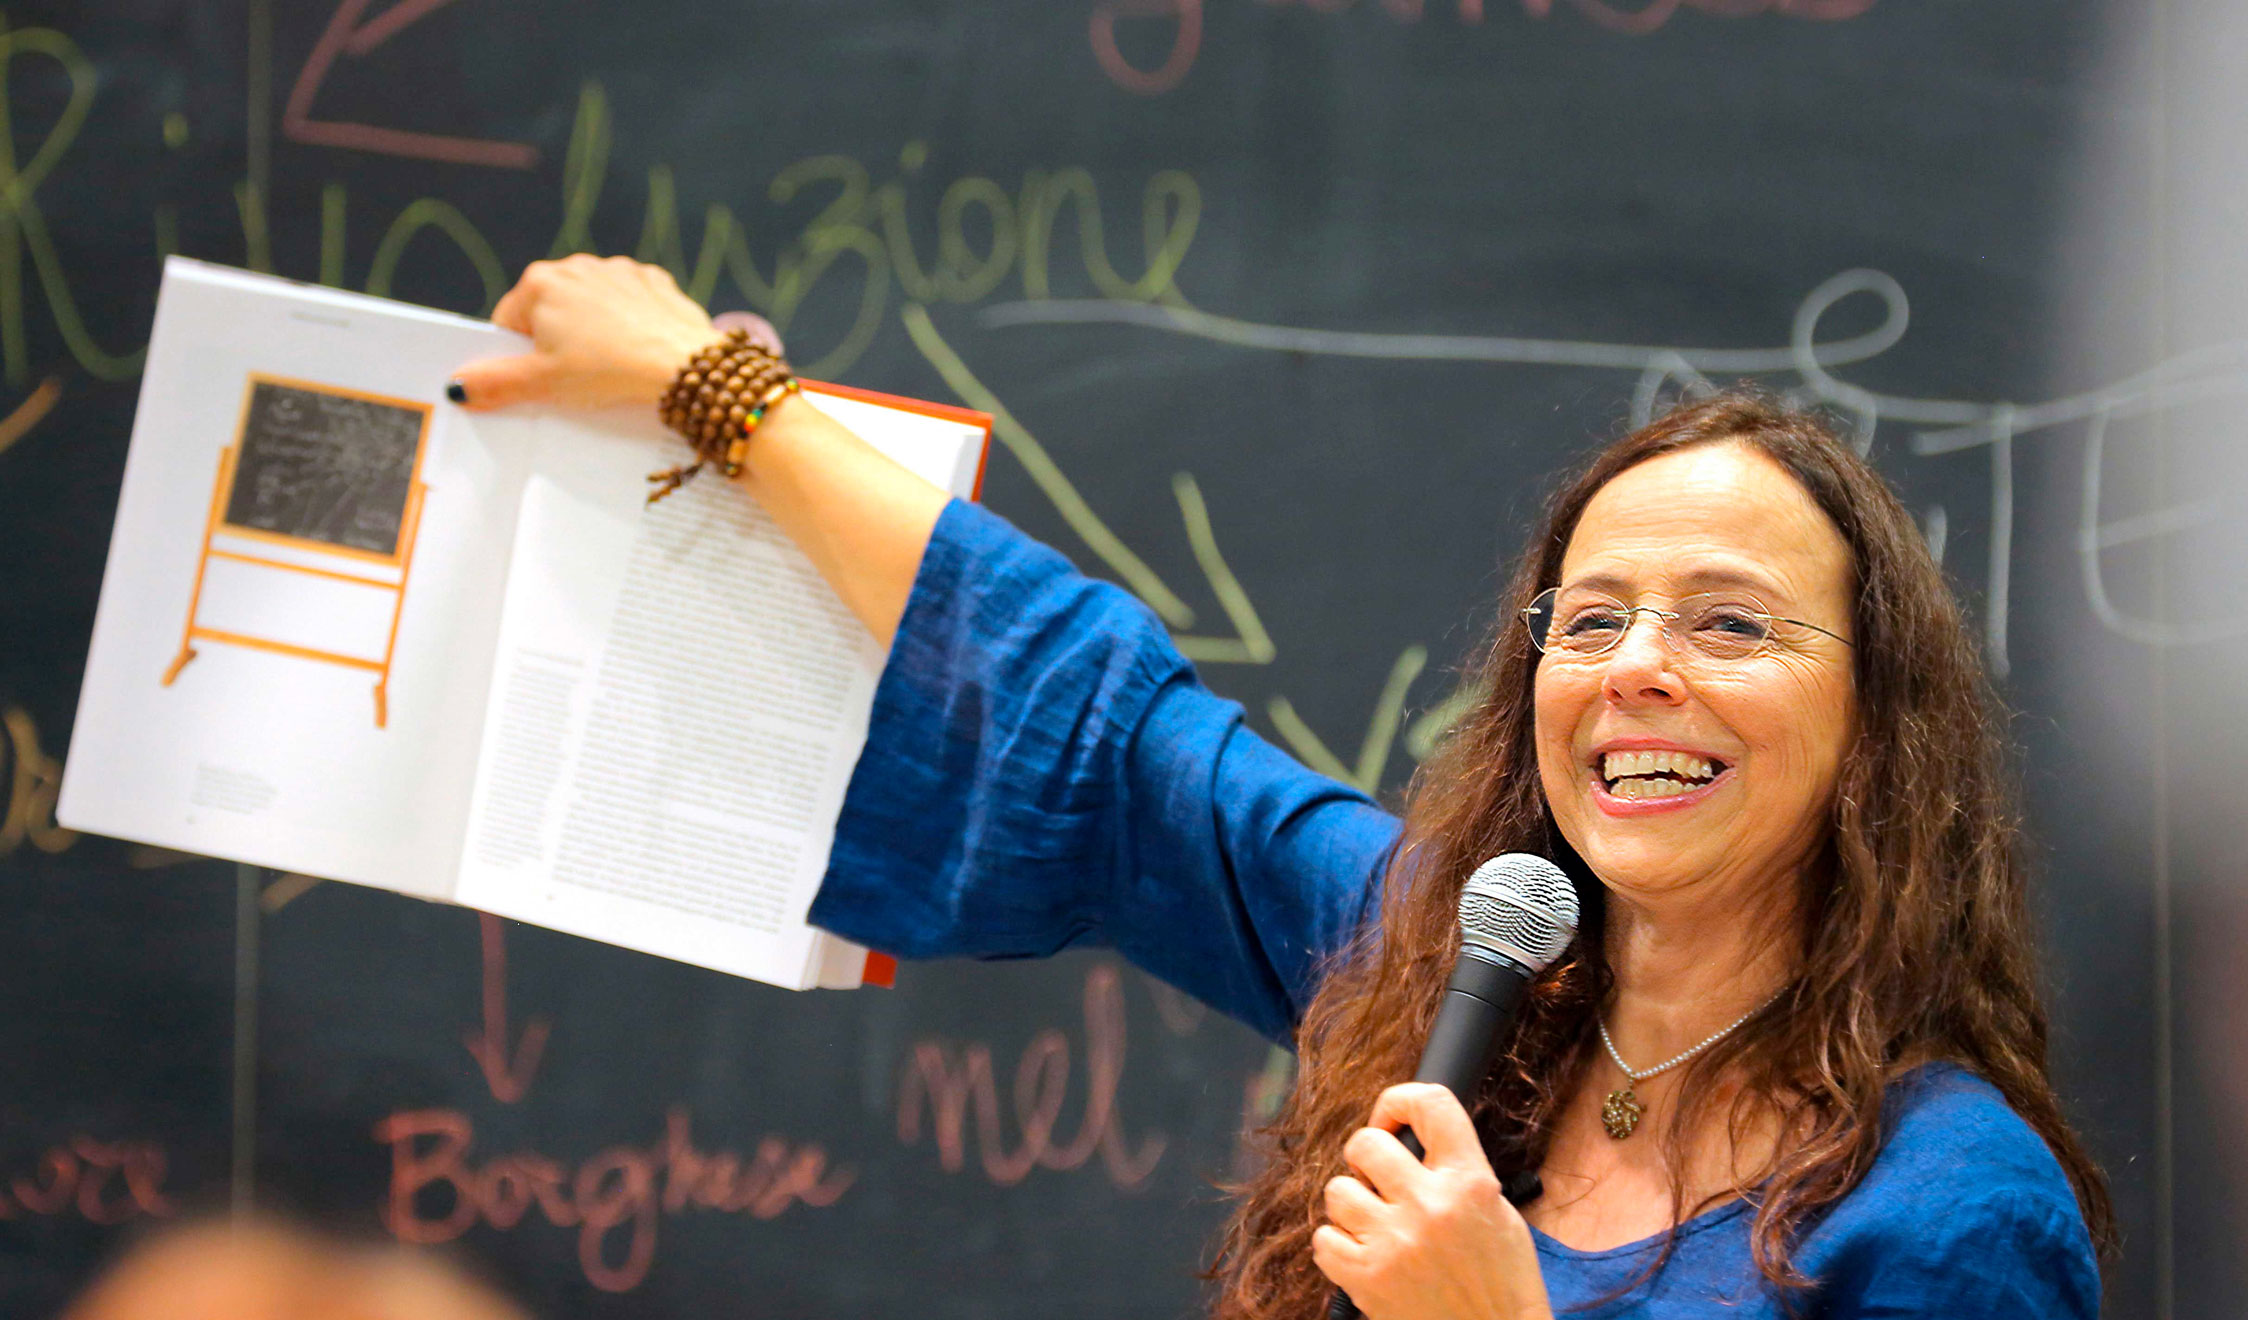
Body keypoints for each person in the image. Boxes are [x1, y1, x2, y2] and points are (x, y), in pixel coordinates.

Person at [450, 255, 2114, 1319]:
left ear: (1877, 724)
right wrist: (710, 389)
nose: (1636, 668)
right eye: (1591, 617)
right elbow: (1087, 715)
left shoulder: (1951, 1213)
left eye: (1731, 623)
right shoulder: (1441, 961)